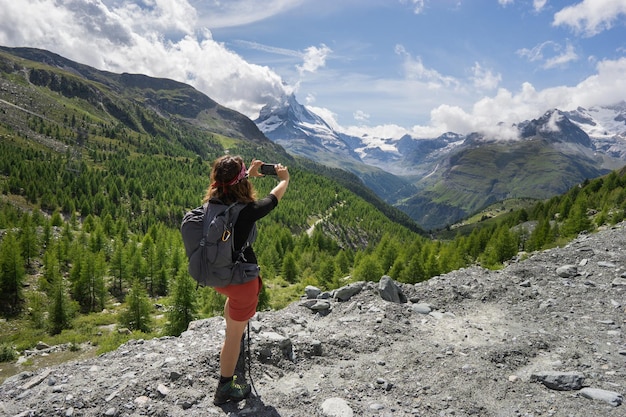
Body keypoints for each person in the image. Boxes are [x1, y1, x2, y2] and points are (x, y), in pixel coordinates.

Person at [204, 155, 290, 405]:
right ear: (241, 180)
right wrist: (284, 178)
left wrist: (247, 173)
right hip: (241, 282)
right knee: (232, 336)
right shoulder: (248, 212)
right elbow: (274, 197)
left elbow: (230, 187)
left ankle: (233, 330)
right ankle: (225, 387)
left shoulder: (213, 201)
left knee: (233, 322)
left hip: (219, 277)